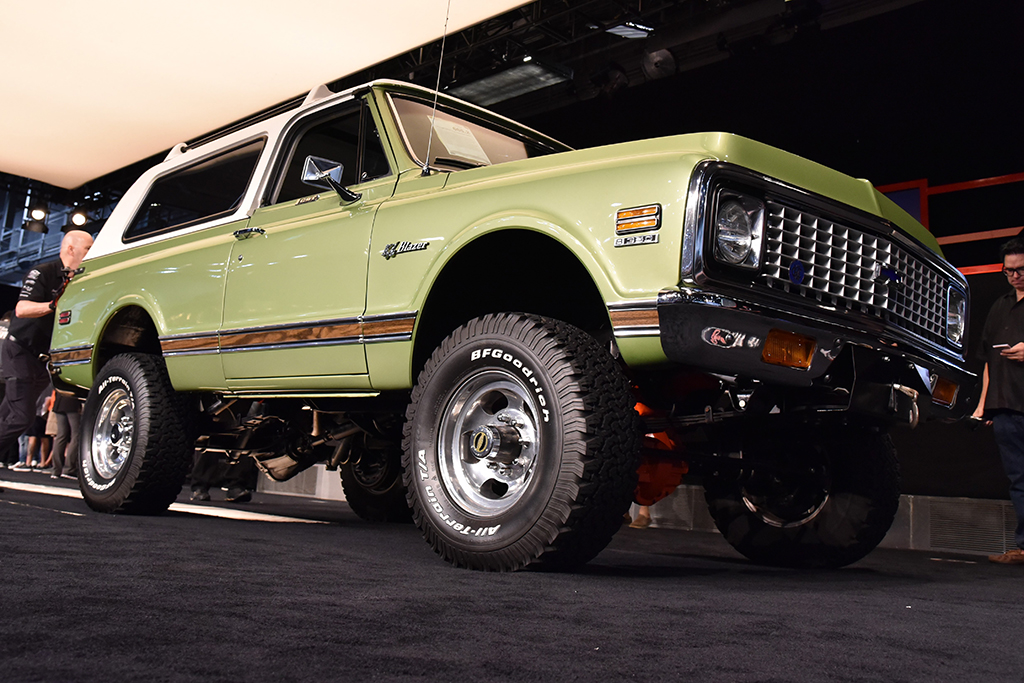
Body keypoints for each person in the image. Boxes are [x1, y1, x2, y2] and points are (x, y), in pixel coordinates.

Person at [0, 230, 93, 494]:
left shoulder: (80, 279)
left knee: (7, 415)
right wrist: (55, 305)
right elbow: (22, 309)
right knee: (20, 417)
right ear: (70, 248)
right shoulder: (42, 272)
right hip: (20, 351)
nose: (90, 253)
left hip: (43, 359)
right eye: (87, 248)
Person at [973, 236, 1024, 564]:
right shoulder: (1000, 305)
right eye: (1009, 271)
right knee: (1019, 479)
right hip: (1006, 409)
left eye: (1021, 269)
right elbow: (989, 360)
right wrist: (983, 405)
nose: (1016, 276)